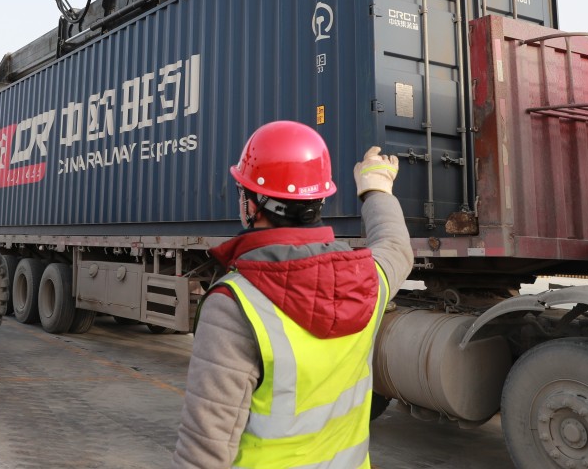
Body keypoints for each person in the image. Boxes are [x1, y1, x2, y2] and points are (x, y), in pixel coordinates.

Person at [172, 120, 412, 469]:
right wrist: (376, 190)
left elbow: (204, 452)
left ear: (252, 205)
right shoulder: (366, 281)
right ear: (319, 199)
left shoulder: (235, 305)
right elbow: (395, 247)